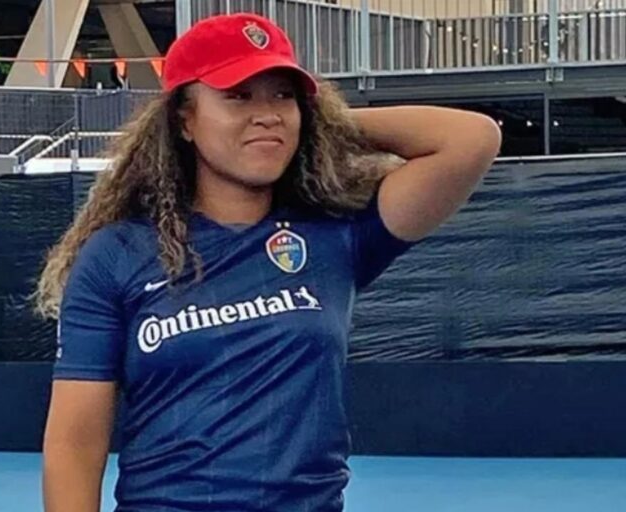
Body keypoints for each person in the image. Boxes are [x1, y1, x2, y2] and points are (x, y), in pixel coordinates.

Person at [38, 12, 501, 512]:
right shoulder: (115, 255)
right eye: (238, 96)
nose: (267, 114)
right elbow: (74, 444)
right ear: (184, 120)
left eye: (282, 95)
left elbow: (470, 139)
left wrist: (321, 125)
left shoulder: (336, 234)